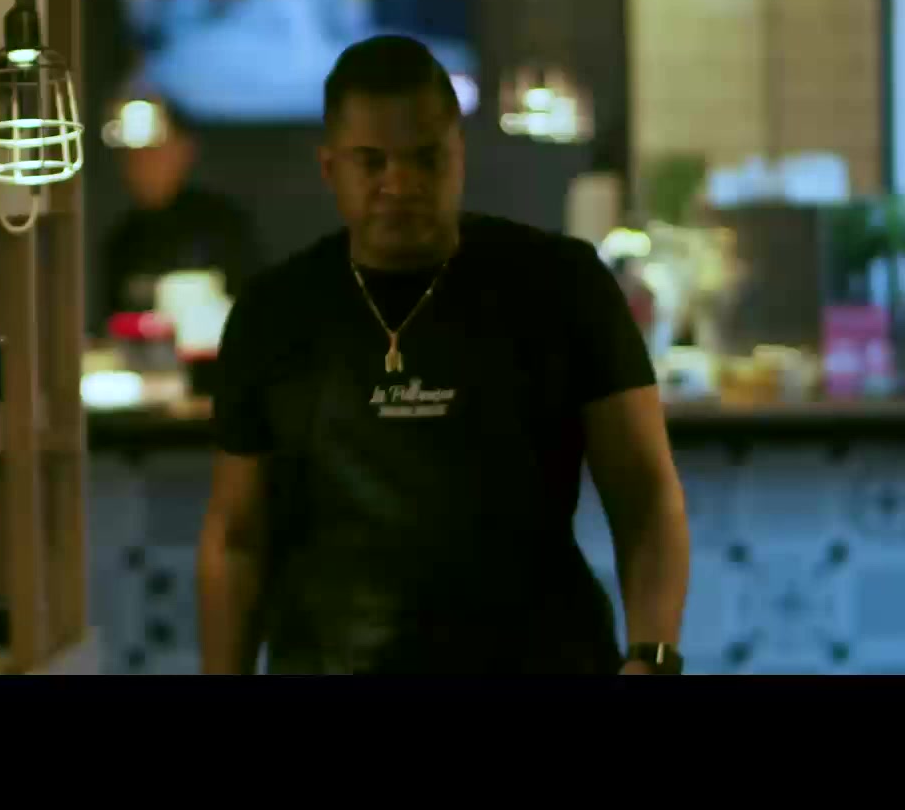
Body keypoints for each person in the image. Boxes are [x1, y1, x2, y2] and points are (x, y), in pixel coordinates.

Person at [197, 34, 691, 675]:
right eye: (372, 162)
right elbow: (237, 538)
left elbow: (646, 498)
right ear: (330, 167)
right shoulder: (274, 312)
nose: (399, 183)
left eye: (425, 158)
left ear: (460, 156)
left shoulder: (562, 284)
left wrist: (653, 659)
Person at [98, 97, 261, 321]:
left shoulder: (223, 227)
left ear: (184, 151)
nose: (142, 164)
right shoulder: (122, 241)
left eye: (153, 152)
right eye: (132, 155)